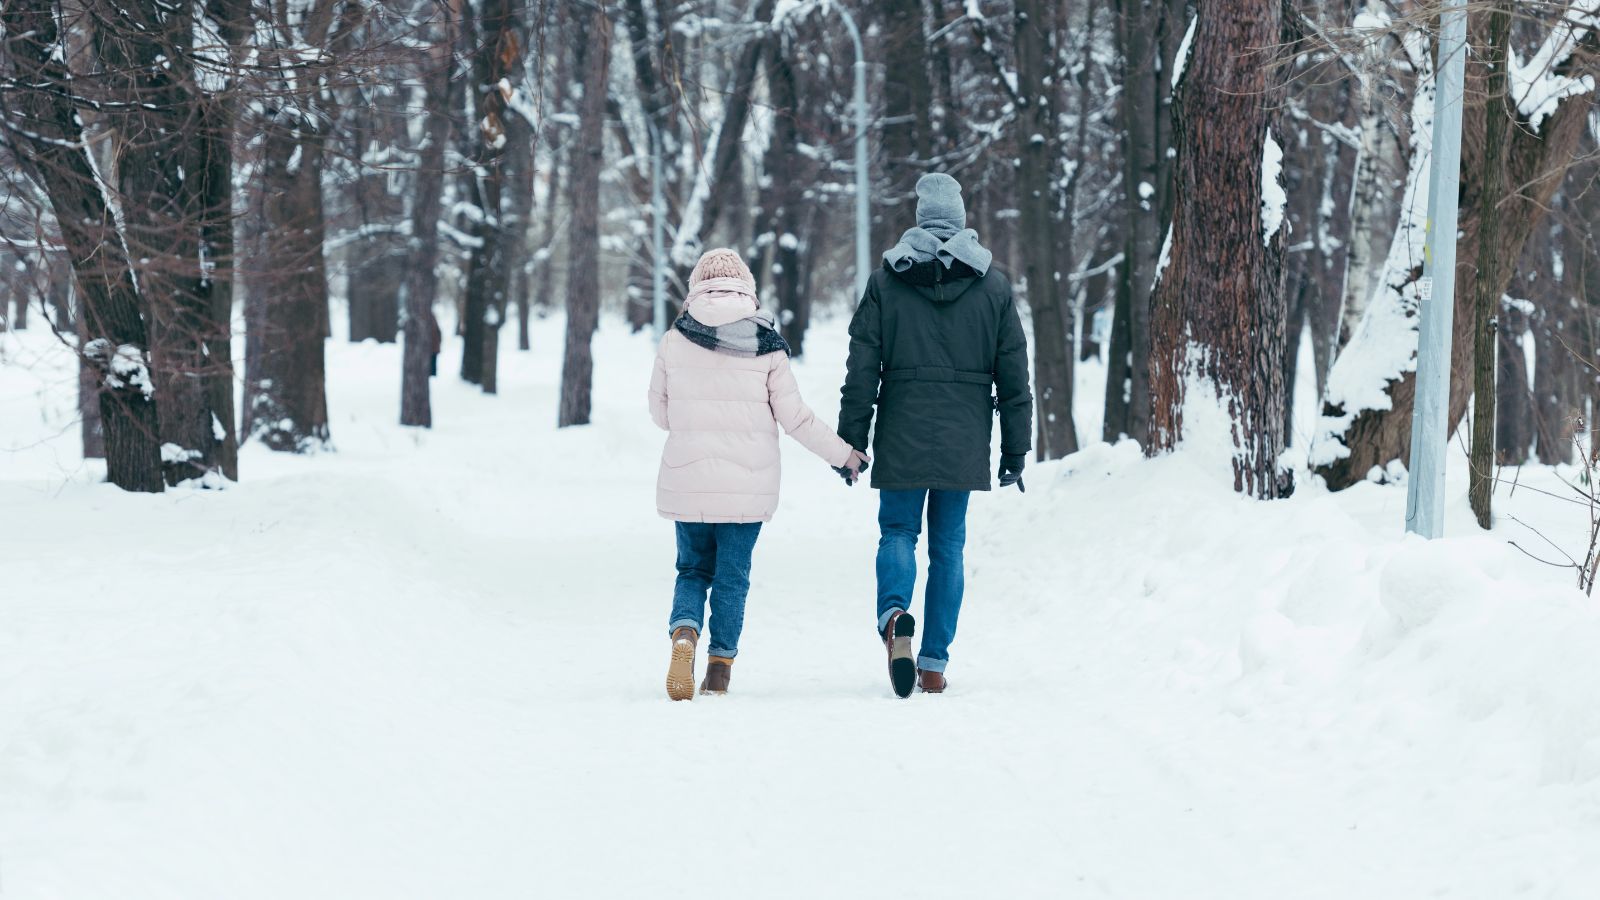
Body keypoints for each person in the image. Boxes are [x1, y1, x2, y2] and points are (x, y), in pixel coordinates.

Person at [837, 173, 1032, 698]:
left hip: (902, 425)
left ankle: (895, 616)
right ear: (962, 218)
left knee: (898, 533)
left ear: (920, 218)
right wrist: (1014, 449)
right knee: (949, 547)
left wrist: (850, 441)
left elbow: (862, 370)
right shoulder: (992, 286)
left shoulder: (887, 281)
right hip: (965, 433)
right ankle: (933, 664)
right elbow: (1015, 377)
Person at [649, 248, 868, 701]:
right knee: (732, 576)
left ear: (697, 286)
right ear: (747, 288)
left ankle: (685, 633)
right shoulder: (765, 342)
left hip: (688, 481)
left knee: (691, 569)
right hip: (748, 489)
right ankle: (719, 669)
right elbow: (797, 419)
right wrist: (844, 454)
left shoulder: (675, 339)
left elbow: (660, 413)